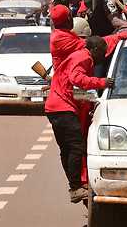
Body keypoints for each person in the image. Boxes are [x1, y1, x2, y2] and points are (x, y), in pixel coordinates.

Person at [45, 36, 114, 203]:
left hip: (54, 107)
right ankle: (76, 187)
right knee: (77, 147)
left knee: (67, 149)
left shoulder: (77, 56)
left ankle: (74, 186)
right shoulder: (84, 58)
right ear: (95, 50)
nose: (103, 56)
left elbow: (71, 86)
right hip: (63, 108)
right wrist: (102, 82)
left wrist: (89, 100)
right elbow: (77, 79)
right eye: (103, 52)